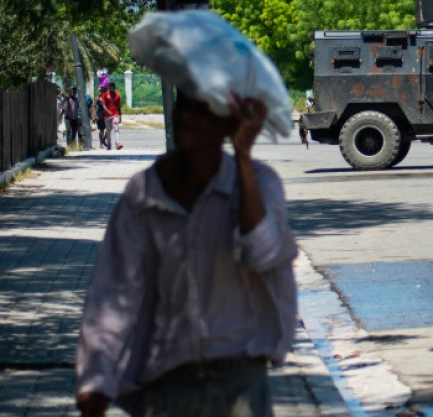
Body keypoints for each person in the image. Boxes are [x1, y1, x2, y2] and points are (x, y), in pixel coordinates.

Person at [75, 91, 298, 417]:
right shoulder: (144, 194)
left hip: (240, 382)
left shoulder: (260, 182)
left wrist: (243, 158)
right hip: (165, 384)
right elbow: (115, 293)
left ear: (228, 124)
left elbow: (263, 252)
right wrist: (96, 381)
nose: (186, 117)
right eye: (182, 107)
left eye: (202, 109)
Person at [100, 82, 123, 150]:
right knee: (108, 130)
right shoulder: (105, 95)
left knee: (116, 128)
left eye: (113, 87)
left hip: (115, 114)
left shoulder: (117, 95)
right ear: (108, 87)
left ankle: (117, 144)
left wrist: (120, 116)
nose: (111, 88)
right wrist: (107, 111)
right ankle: (109, 145)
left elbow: (118, 106)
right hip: (107, 116)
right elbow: (103, 105)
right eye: (110, 87)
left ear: (114, 87)